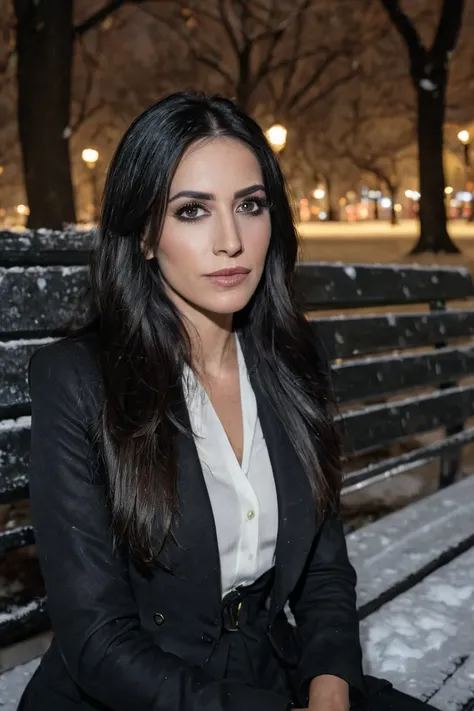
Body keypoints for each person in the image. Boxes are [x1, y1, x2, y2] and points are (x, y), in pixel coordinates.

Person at [18, 92, 437, 711]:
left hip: (268, 673)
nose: (231, 241)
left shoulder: (290, 361)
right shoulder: (77, 380)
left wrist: (330, 689)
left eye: (250, 205)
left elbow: (323, 572)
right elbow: (99, 642)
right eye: (192, 211)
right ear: (142, 235)